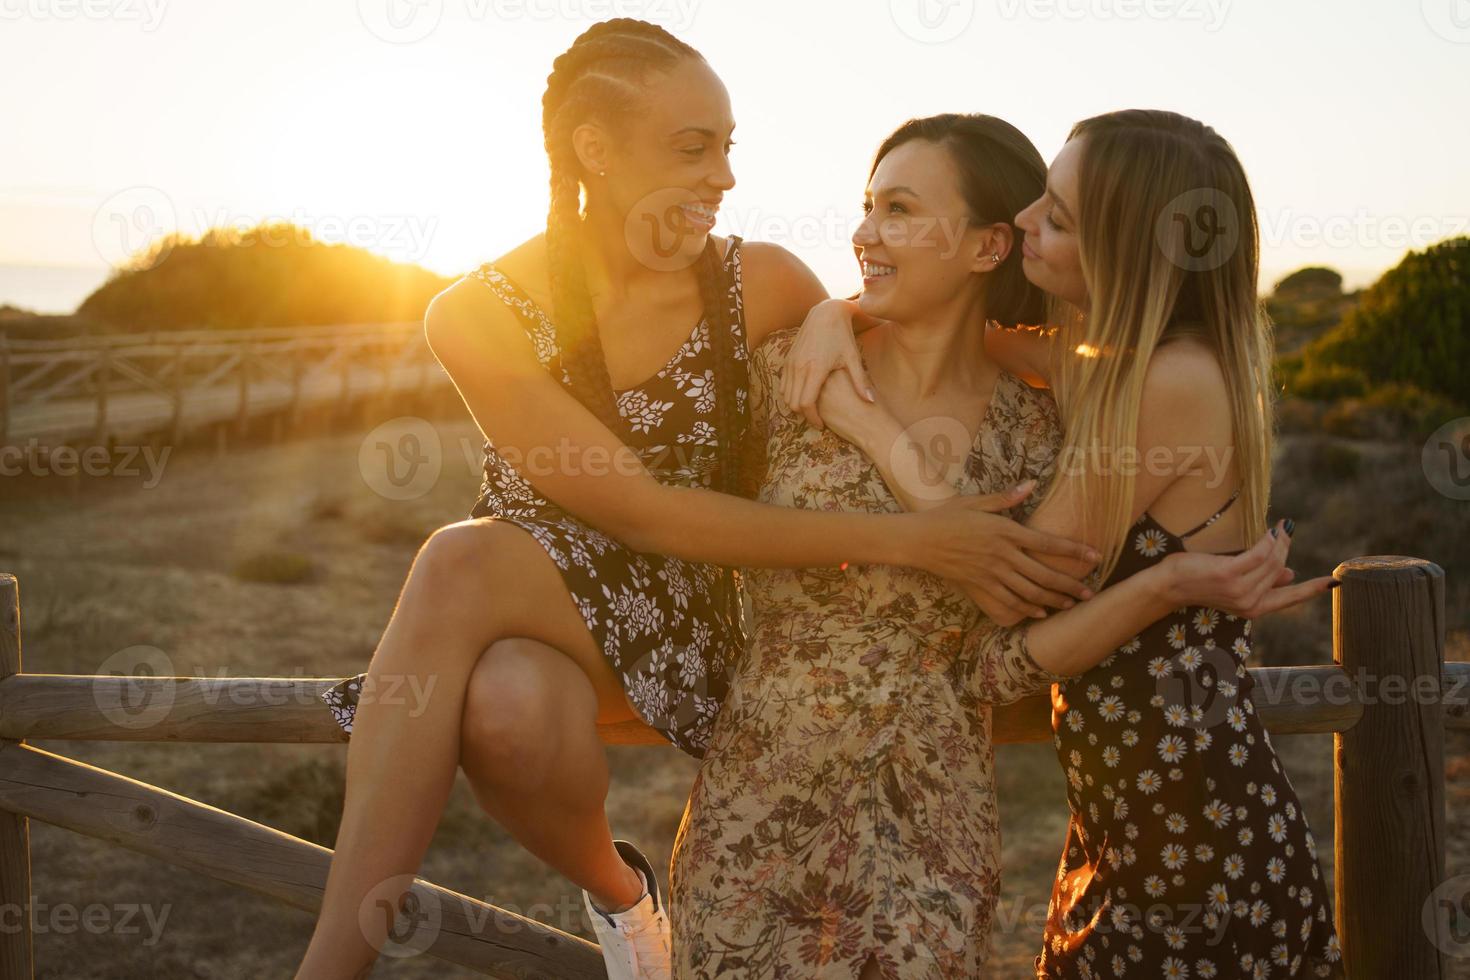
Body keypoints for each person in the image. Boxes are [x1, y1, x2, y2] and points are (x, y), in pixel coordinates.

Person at [295, 21, 1096, 980]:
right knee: (506, 697)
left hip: (705, 609)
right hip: (551, 602)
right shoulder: (477, 312)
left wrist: (841, 314)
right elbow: (637, 511)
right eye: (692, 148)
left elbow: (933, 325)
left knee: (457, 562)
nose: (722, 176)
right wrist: (912, 536)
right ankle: (629, 907)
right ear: (596, 148)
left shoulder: (756, 283)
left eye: (727, 147)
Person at [670, 112, 1327, 979]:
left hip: (1186, 825)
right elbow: (966, 329)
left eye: (1055, 216)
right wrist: (837, 312)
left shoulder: (1160, 385)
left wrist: (867, 425)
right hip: (1121, 814)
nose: (1025, 224)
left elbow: (1007, 580)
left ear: (1122, 247)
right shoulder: (1114, 363)